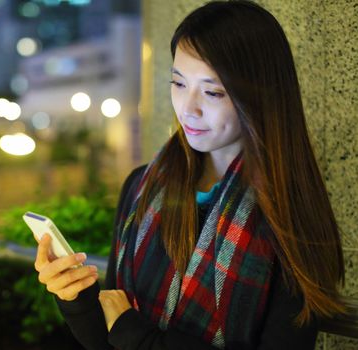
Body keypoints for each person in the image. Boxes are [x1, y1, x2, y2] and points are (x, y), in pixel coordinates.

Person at [33, 1, 346, 349]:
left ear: (261, 96)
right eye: (179, 84)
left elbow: (125, 330)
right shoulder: (143, 187)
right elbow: (107, 338)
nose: (188, 108)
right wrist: (75, 297)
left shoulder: (291, 215)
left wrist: (137, 335)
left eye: (213, 92)